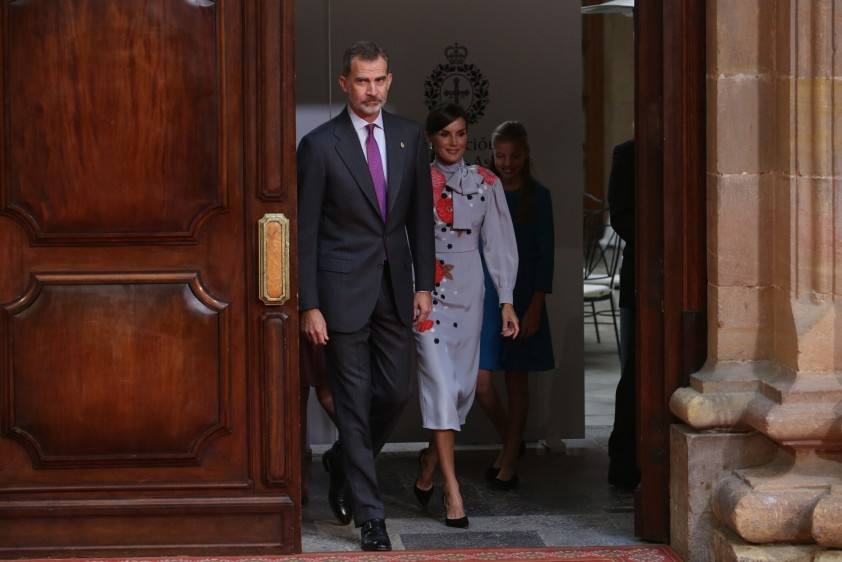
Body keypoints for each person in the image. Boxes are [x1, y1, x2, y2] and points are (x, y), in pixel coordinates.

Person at [297, 41, 435, 552]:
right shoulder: (319, 145)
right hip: (339, 294)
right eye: (361, 81)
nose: (371, 90)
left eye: (379, 80)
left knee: (397, 392)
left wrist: (424, 285)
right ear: (344, 84)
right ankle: (370, 516)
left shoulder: (408, 138)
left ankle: (342, 460)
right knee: (352, 402)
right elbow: (305, 232)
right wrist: (309, 303)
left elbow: (422, 216)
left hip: (396, 289)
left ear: (389, 81)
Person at [413, 104, 519, 528]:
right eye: (445, 135)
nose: (454, 142)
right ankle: (452, 493)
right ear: (431, 139)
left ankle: (428, 462)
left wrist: (506, 299)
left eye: (460, 134)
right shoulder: (415, 180)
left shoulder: (487, 182)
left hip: (471, 291)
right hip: (426, 293)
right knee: (439, 386)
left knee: (460, 392)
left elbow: (498, 242)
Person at [475, 121, 555, 490]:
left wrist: (536, 305)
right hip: (485, 294)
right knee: (482, 382)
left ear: (526, 157)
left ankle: (508, 458)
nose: (507, 163)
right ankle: (512, 439)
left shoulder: (538, 196)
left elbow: (545, 256)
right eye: (501, 156)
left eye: (514, 156)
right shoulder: (482, 190)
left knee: (517, 377)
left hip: (524, 296)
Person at [606, 139, 639, 490]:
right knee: (633, 370)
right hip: (640, 279)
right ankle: (625, 460)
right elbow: (619, 216)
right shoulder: (626, 153)